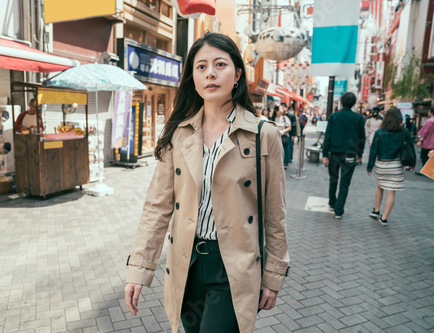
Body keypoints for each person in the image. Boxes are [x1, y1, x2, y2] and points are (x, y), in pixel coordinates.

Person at [124, 32, 290, 333]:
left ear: (237, 74)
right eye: (201, 66)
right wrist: (139, 268)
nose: (210, 73)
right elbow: (157, 207)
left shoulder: (263, 134)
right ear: (192, 77)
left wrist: (273, 276)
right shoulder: (180, 134)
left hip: (233, 266)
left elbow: (275, 214)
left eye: (220, 64)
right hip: (186, 264)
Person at [367, 107, 415, 226]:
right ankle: (384, 218)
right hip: (396, 166)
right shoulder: (404, 132)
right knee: (391, 192)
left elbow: (374, 151)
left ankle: (376, 210)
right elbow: (411, 149)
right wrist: (411, 164)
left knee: (379, 187)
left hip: (382, 165)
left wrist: (369, 166)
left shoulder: (380, 132)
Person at [322, 92, 365, 219]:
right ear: (353, 103)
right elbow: (361, 137)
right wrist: (360, 153)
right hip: (350, 153)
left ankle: (332, 203)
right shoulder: (358, 118)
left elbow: (328, 135)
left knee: (333, 179)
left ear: (341, 102)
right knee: (345, 183)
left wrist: (325, 153)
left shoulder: (334, 117)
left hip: (334, 152)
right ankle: (339, 211)